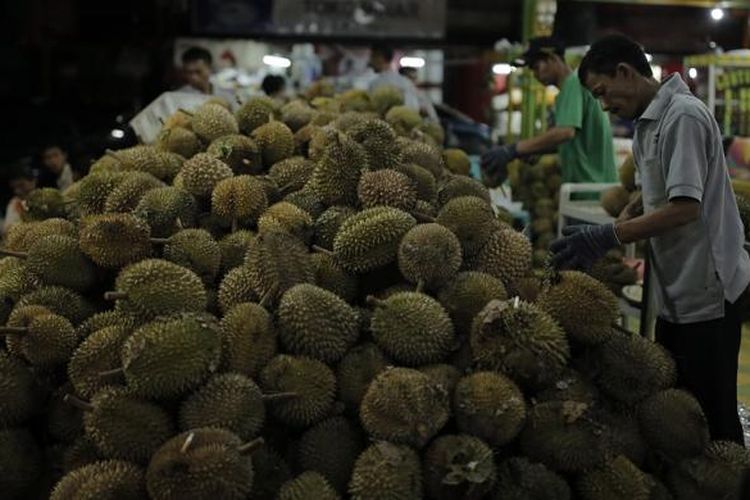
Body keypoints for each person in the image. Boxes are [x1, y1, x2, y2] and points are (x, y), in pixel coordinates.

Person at [551, 34, 750, 444]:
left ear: (625, 72)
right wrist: (630, 211)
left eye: (603, 92)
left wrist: (609, 233)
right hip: (677, 287)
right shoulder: (649, 121)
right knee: (679, 405)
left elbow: (685, 208)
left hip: (709, 290)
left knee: (711, 416)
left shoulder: (683, 117)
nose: (604, 106)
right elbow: (659, 185)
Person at [481, 36, 617, 187]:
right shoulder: (569, 90)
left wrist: (512, 150)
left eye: (536, 67)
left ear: (553, 58)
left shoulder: (573, 84)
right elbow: (572, 138)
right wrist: (535, 149)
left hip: (592, 188)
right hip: (590, 187)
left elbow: (565, 132)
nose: (535, 75)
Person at [368, 45, 421, 112]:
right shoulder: (405, 82)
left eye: (372, 56)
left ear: (380, 57)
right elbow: (413, 108)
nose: (370, 61)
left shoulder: (375, 84)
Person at [2, 163, 37, 235]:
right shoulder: (14, 203)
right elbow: (8, 230)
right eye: (14, 187)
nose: (17, 191)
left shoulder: (46, 198)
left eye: (21, 185)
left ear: (33, 181)